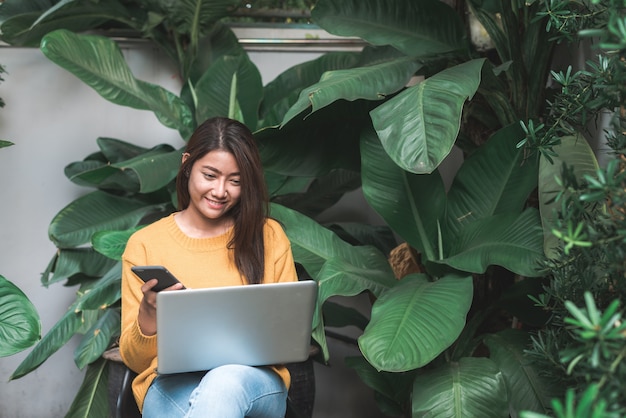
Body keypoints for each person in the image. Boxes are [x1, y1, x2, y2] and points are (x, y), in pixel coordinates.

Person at [119, 116, 298, 418]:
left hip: (254, 382)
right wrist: (149, 315)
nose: (220, 191)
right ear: (187, 164)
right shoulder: (145, 244)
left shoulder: (268, 237)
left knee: (223, 382)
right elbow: (136, 361)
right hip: (170, 385)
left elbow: (288, 337)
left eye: (235, 181)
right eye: (210, 175)